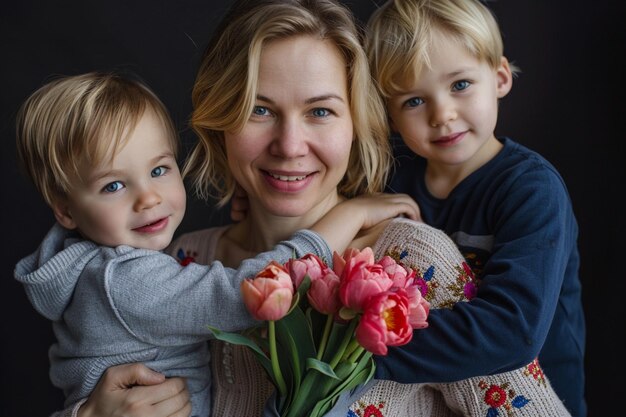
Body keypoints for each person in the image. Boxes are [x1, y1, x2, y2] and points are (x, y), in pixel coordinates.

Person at [49, 0, 575, 416]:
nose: (290, 144)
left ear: (359, 125)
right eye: (259, 110)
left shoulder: (410, 261)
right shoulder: (178, 263)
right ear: (219, 119)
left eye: (320, 111)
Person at [14, 71, 420, 417]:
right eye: (114, 185)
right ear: (66, 211)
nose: (149, 198)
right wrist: (346, 217)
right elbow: (250, 291)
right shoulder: (123, 279)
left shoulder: (104, 266)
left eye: (159, 169)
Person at [362, 0, 585, 416]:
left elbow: (512, 330)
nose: (442, 115)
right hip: (433, 400)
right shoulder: (391, 183)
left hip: (528, 399)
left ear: (499, 78)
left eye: (460, 84)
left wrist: (364, 353)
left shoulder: (531, 190)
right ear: (390, 115)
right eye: (413, 101)